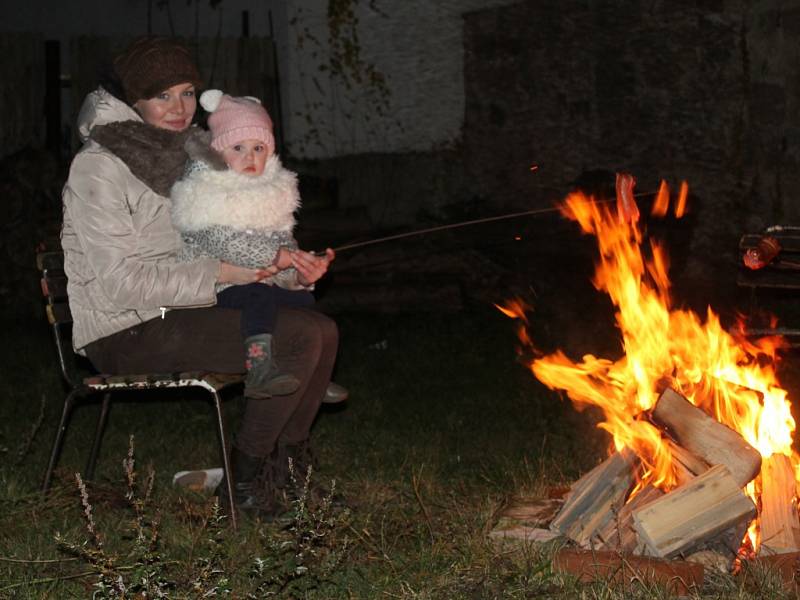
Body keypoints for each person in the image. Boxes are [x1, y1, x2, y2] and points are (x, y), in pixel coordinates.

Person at [61, 36, 339, 516]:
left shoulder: (192, 155)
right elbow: (119, 283)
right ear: (134, 99)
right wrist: (220, 272)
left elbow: (230, 241)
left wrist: (292, 271)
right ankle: (244, 483)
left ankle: (291, 472)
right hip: (125, 326)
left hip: (188, 307)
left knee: (324, 330)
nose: (178, 107)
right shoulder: (99, 167)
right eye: (161, 95)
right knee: (297, 338)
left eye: (187, 92)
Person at [170, 89, 318, 400]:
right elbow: (226, 243)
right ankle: (259, 367)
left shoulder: (270, 196)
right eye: (238, 147)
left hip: (255, 283)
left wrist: (300, 272)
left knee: (303, 303)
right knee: (259, 296)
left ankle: (309, 377)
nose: (250, 157)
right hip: (215, 286)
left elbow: (284, 246)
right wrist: (275, 256)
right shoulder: (205, 193)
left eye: (259, 148)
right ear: (219, 152)